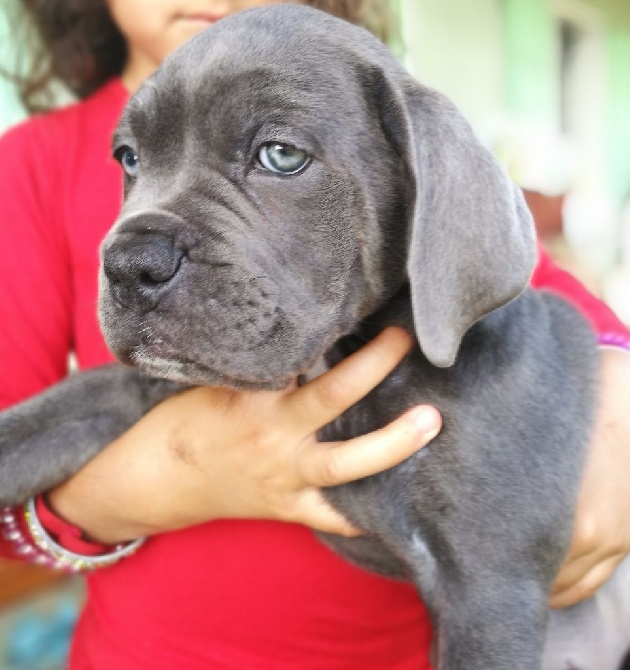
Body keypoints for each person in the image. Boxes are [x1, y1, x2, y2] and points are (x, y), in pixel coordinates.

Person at [0, 1, 629, 668]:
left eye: (280, 154)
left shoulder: (367, 106)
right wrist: (185, 468)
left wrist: (620, 418)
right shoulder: (32, 169)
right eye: (131, 157)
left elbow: (548, 298)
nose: (138, 252)